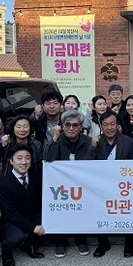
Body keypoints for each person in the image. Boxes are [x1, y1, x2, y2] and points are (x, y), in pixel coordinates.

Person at [86, 110, 133, 258]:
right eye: (105, 124)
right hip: (101, 187)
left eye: (112, 124)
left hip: (124, 187)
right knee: (99, 212)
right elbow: (85, 166)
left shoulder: (128, 141)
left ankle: (129, 243)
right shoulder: (96, 142)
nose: (109, 128)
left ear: (117, 125)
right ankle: (103, 243)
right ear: (101, 126)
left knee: (128, 213)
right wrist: (92, 147)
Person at [43, 110, 92, 257]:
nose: (71, 128)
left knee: (80, 211)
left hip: (81, 185)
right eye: (67, 125)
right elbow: (48, 159)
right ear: (62, 126)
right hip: (60, 186)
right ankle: (60, 241)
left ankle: (80, 241)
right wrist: (55, 138)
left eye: (75, 125)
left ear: (81, 127)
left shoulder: (88, 141)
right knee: (60, 211)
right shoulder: (58, 140)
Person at [0, 144, 45, 266]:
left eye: (27, 158)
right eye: (19, 158)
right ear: (11, 161)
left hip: (30, 216)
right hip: (10, 221)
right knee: (16, 238)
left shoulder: (37, 176)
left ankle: (29, 244)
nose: (24, 162)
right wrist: (32, 227)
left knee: (49, 220)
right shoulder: (3, 183)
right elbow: (9, 213)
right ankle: (6, 253)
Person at [0, 115, 43, 179]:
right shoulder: (7, 142)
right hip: (10, 179)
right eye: (18, 127)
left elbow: (40, 166)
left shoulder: (37, 145)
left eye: (25, 126)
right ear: (13, 128)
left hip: (32, 179)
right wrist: (1, 146)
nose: (22, 130)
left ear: (30, 128)